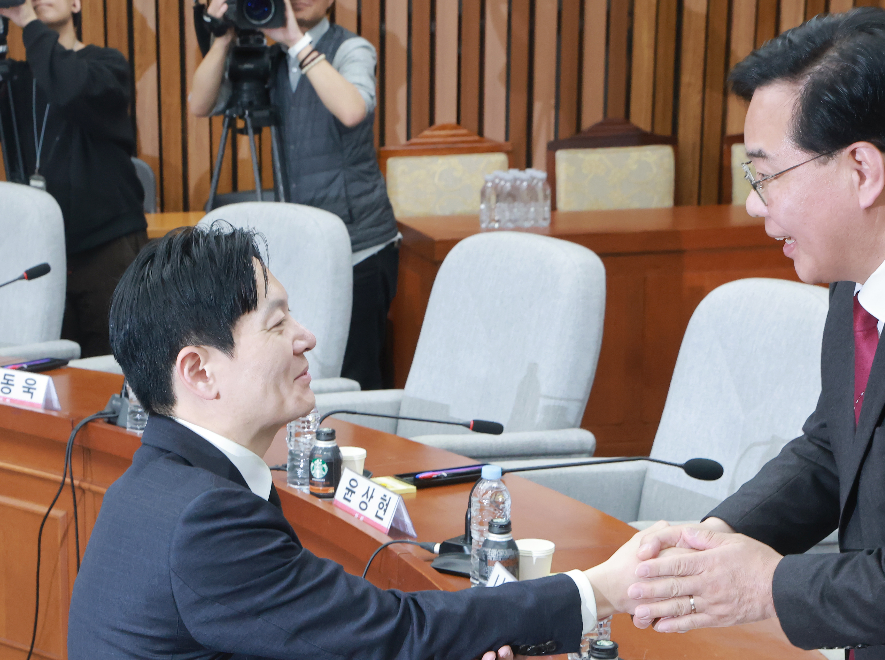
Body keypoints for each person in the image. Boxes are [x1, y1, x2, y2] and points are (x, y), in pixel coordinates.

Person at [67, 223, 654, 659]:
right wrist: (600, 590)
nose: (305, 337)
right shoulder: (206, 521)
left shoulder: (155, 485)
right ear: (198, 372)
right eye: (277, 323)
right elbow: (393, 632)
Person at [623, 8, 885, 660]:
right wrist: (711, 539)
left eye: (765, 175)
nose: (753, 204)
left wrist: (767, 587)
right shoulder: (862, 270)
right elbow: (833, 448)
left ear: (862, 170)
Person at [188, 0, 397, 391]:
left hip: (362, 245)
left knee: (356, 375)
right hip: (308, 249)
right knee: (308, 373)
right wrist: (221, 39)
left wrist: (296, 41)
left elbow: (353, 109)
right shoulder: (271, 60)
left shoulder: (351, 48)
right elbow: (199, 104)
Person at [0, 0, 148, 358]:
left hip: (106, 245)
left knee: (117, 362)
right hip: (42, 253)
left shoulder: (107, 64)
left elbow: (70, 88)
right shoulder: (13, 78)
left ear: (77, 4)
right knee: (49, 366)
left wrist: (27, 20)